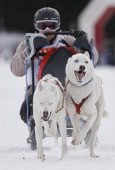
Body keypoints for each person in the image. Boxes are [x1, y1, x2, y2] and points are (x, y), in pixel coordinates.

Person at [10, 7, 99, 150]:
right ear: (36, 27)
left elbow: (91, 61)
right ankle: (37, 126)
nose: (47, 30)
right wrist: (29, 51)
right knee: (24, 109)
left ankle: (84, 127)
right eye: (42, 26)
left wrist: (86, 47)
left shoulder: (67, 40)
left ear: (57, 26)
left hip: (68, 88)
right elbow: (16, 70)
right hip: (39, 89)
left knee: (82, 100)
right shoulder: (28, 43)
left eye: (51, 25)